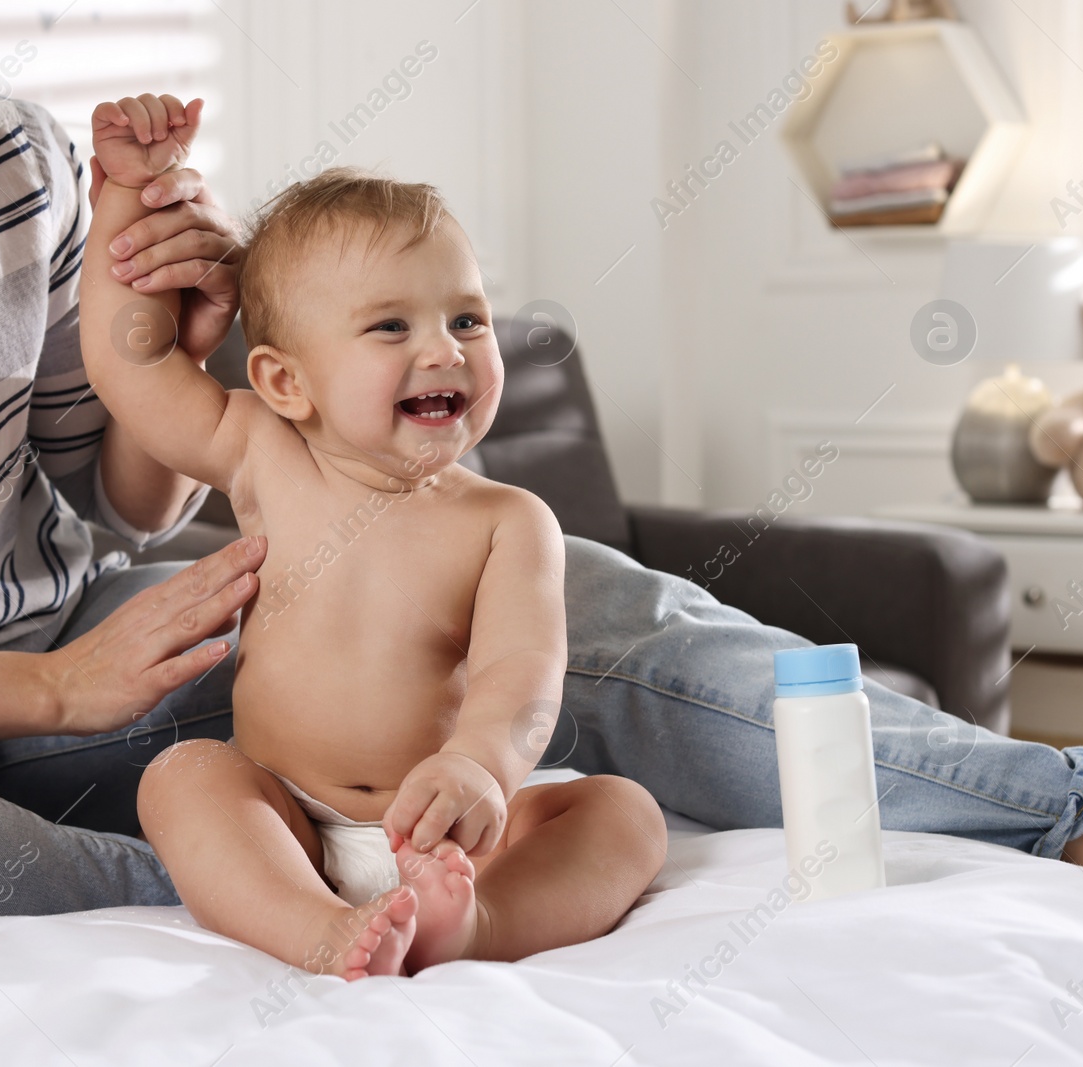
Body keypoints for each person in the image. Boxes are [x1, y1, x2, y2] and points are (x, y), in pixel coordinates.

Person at [0, 0, 1083, 966]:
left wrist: (167, 339)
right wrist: (51, 696)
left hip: (120, 655)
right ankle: (265, 881)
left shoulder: (5, 159)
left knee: (515, 592)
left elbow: (119, 493)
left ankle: (1060, 804)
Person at [79, 97, 667, 980]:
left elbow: (522, 677)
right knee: (184, 778)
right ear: (284, 381)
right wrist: (128, 198)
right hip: (293, 821)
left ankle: (476, 923)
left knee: (627, 815)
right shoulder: (260, 450)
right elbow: (130, 366)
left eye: (467, 319)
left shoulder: (506, 521)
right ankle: (315, 928)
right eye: (392, 326)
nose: (445, 351)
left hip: (448, 830)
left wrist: (479, 766)